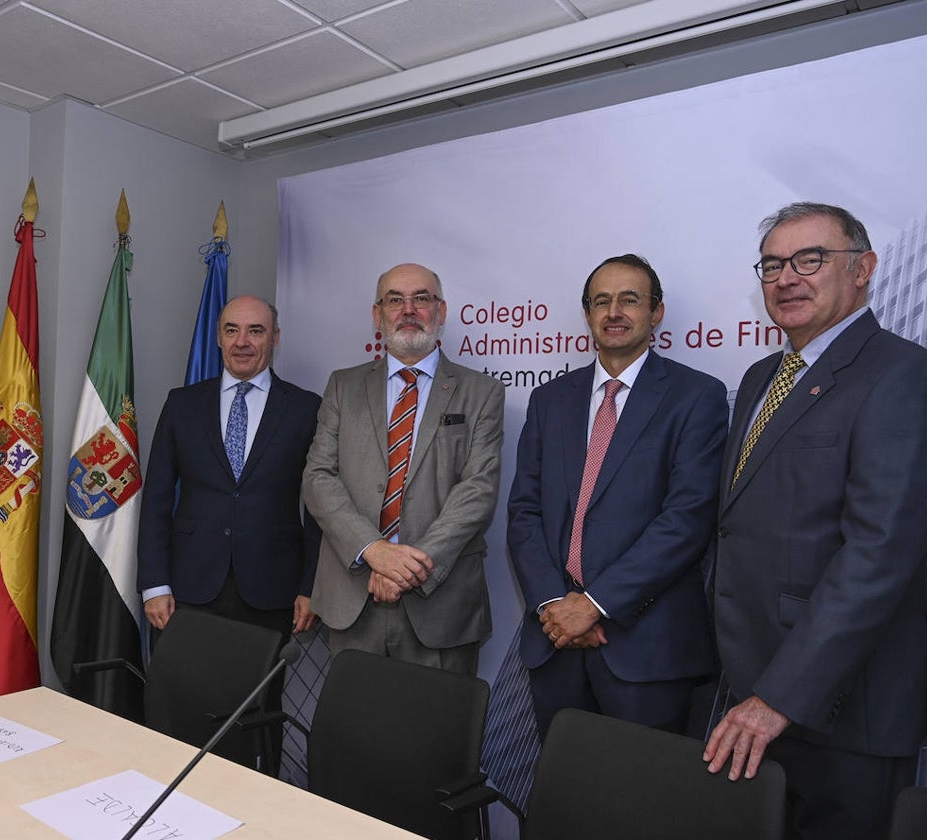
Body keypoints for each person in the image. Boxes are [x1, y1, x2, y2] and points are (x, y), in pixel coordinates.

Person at [703, 203, 927, 840]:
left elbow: (877, 559)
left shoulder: (905, 376)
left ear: (864, 269)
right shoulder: (762, 376)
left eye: (809, 260)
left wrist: (780, 697)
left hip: (843, 708)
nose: (786, 278)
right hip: (751, 687)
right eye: (771, 264)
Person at [507, 254, 728, 738]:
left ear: (657, 312)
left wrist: (595, 605)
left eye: (630, 299)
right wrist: (552, 604)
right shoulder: (550, 401)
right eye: (601, 301)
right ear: (586, 314)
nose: (614, 312)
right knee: (566, 797)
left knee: (645, 805)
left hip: (646, 650)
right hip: (556, 642)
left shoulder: (697, 397)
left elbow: (687, 519)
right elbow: (523, 512)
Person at [137, 295, 321, 769]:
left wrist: (310, 588)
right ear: (218, 337)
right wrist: (154, 583)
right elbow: (156, 497)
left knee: (259, 715)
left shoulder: (305, 409)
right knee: (186, 706)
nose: (243, 342)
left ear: (274, 338)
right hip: (188, 590)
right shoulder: (182, 405)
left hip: (272, 592)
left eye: (256, 331)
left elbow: (320, 507)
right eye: (233, 330)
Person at [302, 263, 504, 675]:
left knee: (439, 734)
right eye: (395, 299)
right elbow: (318, 477)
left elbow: (478, 490)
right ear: (378, 315)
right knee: (357, 733)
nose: (408, 309)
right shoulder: (343, 385)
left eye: (422, 298)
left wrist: (406, 568)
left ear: (442, 312)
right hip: (354, 597)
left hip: (442, 605)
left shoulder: (482, 392)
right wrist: (374, 552)